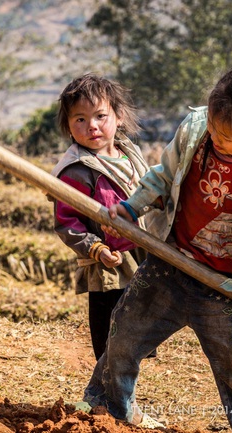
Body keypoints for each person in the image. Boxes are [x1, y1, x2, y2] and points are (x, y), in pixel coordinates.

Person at [82, 67, 232, 432]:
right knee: (123, 333)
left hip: (221, 289)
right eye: (215, 127)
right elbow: (163, 174)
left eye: (228, 136)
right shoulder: (196, 129)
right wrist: (131, 206)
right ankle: (107, 410)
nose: (216, 137)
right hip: (168, 264)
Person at [50, 73, 152, 361]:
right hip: (109, 263)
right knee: (110, 338)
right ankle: (106, 397)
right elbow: (67, 221)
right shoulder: (76, 171)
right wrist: (96, 248)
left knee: (137, 334)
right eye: (79, 119)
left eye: (99, 116)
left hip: (142, 255)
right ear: (69, 127)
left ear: (118, 116)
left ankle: (120, 395)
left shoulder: (130, 154)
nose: (91, 126)